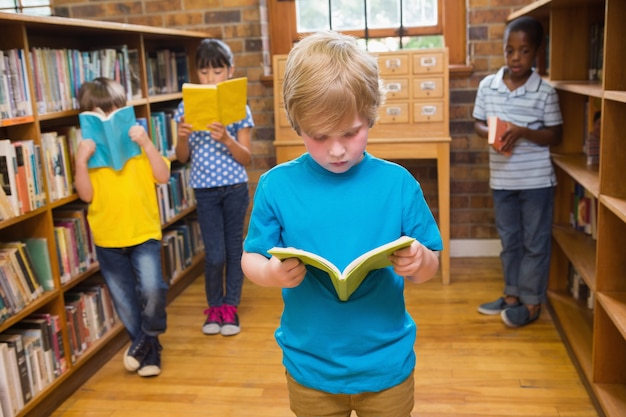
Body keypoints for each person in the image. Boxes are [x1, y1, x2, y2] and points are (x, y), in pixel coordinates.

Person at [241, 31, 442, 417]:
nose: (337, 150)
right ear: (297, 125)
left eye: (351, 132)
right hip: (309, 366)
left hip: (387, 365)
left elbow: (429, 265)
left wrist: (421, 262)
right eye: (319, 136)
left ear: (371, 114)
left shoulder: (398, 184)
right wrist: (270, 272)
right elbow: (250, 258)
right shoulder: (276, 186)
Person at [74, 77, 171, 376]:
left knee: (153, 289)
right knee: (126, 301)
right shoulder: (85, 152)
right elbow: (86, 195)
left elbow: (163, 175)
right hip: (107, 237)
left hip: (143, 231)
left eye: (112, 111)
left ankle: (147, 337)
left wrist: (147, 143)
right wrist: (80, 162)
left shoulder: (140, 142)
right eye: (97, 115)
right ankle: (149, 353)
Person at [473, 16, 563, 327]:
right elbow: (478, 122)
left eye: (524, 51)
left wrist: (523, 131)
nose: (515, 57)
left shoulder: (545, 92)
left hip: (536, 181)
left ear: (537, 52)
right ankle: (511, 296)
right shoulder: (488, 86)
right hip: (502, 180)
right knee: (509, 241)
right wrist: (493, 134)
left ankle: (532, 303)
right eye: (509, 50)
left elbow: (555, 135)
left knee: (534, 242)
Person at [174, 39, 254, 336]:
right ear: (197, 74)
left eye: (217, 72)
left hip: (234, 187)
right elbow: (182, 157)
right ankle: (214, 307)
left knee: (234, 250)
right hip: (205, 190)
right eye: (204, 73)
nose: (210, 78)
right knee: (214, 253)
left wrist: (227, 139)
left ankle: (230, 307)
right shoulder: (185, 109)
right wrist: (182, 137)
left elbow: (246, 158)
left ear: (230, 71)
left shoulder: (239, 108)